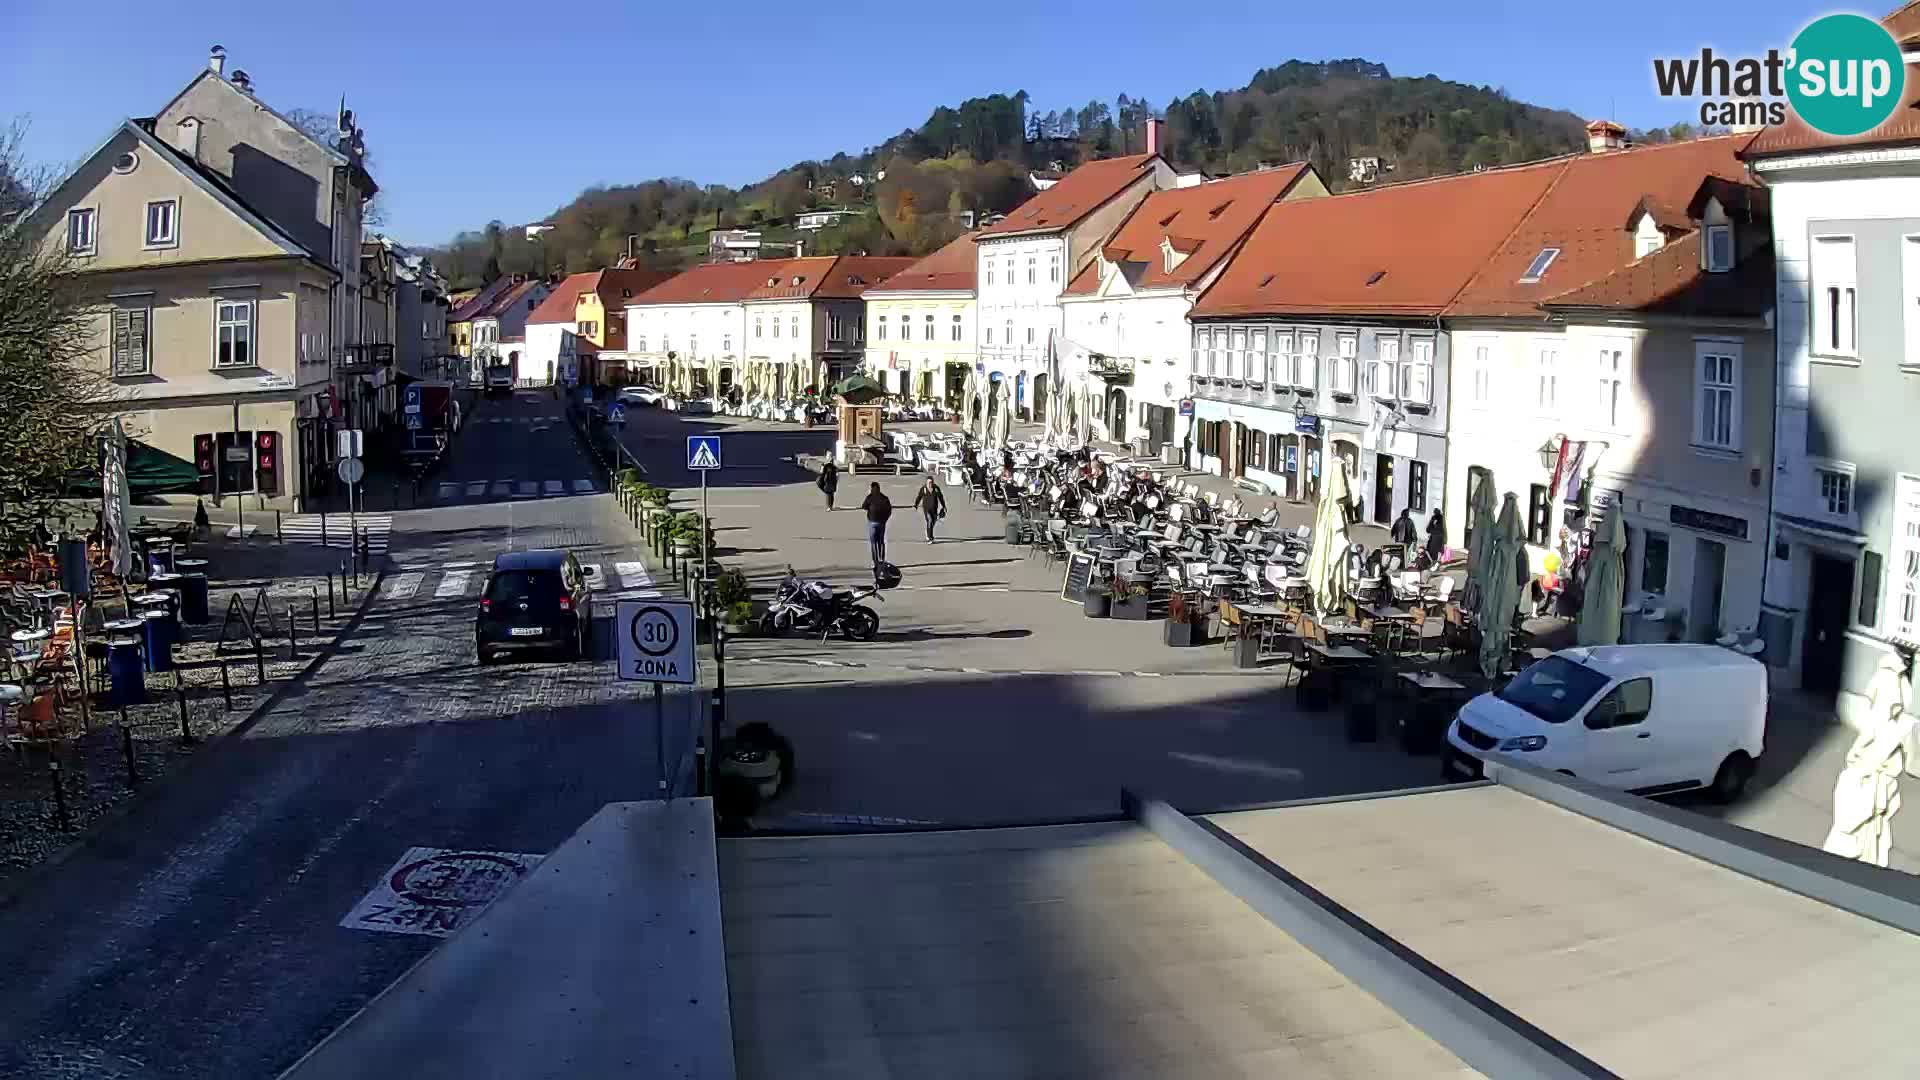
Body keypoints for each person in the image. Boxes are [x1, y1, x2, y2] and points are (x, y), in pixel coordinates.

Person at [861, 482, 892, 567]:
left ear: (871, 488)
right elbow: (889, 510)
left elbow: (864, 506)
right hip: (882, 522)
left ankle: (875, 561)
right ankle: (881, 559)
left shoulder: (870, 497)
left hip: (872, 521)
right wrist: (885, 519)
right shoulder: (884, 498)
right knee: (881, 541)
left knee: (873, 542)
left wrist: (869, 508)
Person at [912, 476, 946, 542]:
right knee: (930, 521)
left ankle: (928, 532)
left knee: (933, 522)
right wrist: (915, 505)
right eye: (929, 482)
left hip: (934, 508)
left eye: (931, 482)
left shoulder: (936, 488)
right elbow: (919, 497)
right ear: (926, 483)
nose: (930, 484)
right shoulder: (923, 489)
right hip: (926, 508)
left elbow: (940, 497)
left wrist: (944, 506)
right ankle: (930, 537)